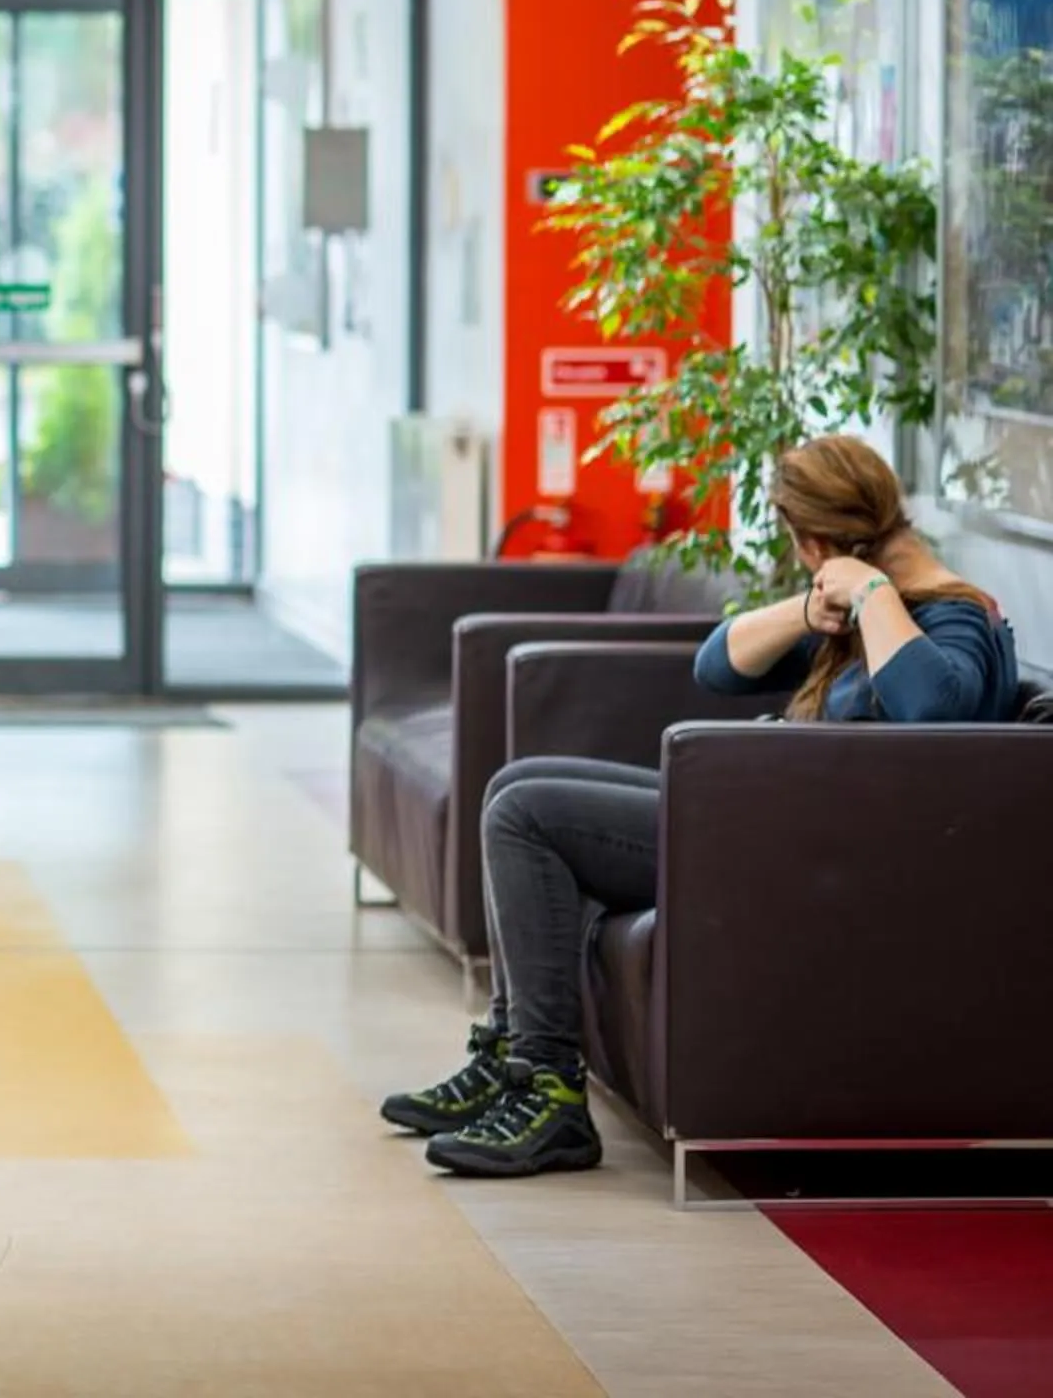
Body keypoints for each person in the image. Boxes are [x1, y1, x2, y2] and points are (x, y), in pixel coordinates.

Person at [383, 434, 1020, 1178]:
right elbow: (717, 665)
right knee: (515, 786)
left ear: (812, 539)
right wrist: (813, 603)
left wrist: (875, 594)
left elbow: (933, 714)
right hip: (755, 817)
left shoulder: (951, 618)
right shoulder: (853, 613)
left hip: (781, 845)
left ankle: (547, 1087)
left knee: (526, 817)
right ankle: (512, 1054)